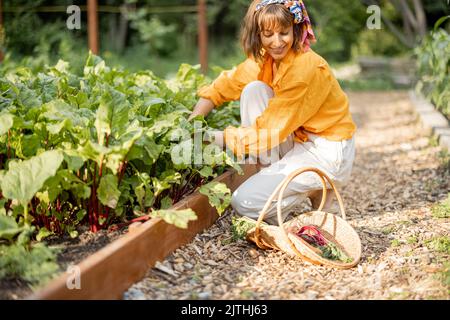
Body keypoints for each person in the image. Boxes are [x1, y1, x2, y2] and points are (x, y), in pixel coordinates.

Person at [188, 0, 357, 224]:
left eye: (284, 33)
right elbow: (228, 84)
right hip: (299, 139)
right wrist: (194, 120)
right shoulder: (268, 57)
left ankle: (317, 188)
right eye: (268, 34)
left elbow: (268, 132)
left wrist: (211, 138)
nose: (276, 42)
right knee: (254, 90)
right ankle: (292, 186)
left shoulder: (304, 68)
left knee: (244, 203)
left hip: (327, 151)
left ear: (296, 29)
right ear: (258, 34)